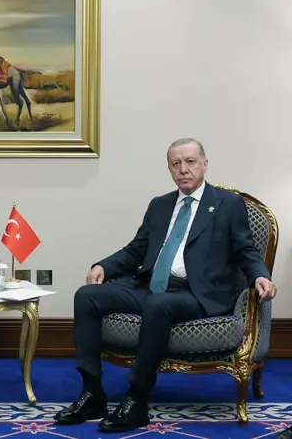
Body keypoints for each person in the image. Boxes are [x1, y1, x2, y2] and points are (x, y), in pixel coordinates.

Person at [54, 138, 277, 433]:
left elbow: (245, 249)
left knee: (157, 304)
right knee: (86, 296)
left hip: (198, 293)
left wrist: (260, 275)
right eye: (176, 164)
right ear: (169, 169)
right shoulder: (160, 205)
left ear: (205, 164)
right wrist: (103, 266)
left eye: (190, 162)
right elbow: (137, 249)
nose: (183, 169)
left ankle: (136, 399)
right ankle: (92, 393)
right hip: (151, 287)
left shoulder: (228, 204)